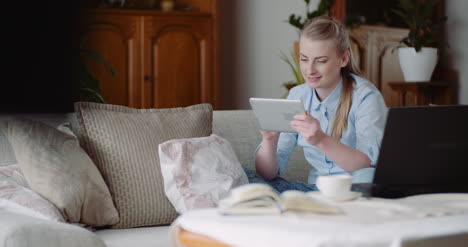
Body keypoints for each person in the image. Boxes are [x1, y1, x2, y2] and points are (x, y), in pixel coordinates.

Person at [250, 16, 387, 192]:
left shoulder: (365, 96)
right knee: (252, 179)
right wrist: (269, 140)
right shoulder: (297, 95)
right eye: (304, 59)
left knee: (368, 177)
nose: (309, 70)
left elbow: (368, 165)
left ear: (343, 59)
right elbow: (268, 174)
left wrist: (321, 140)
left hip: (354, 188)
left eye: (321, 61)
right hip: (315, 190)